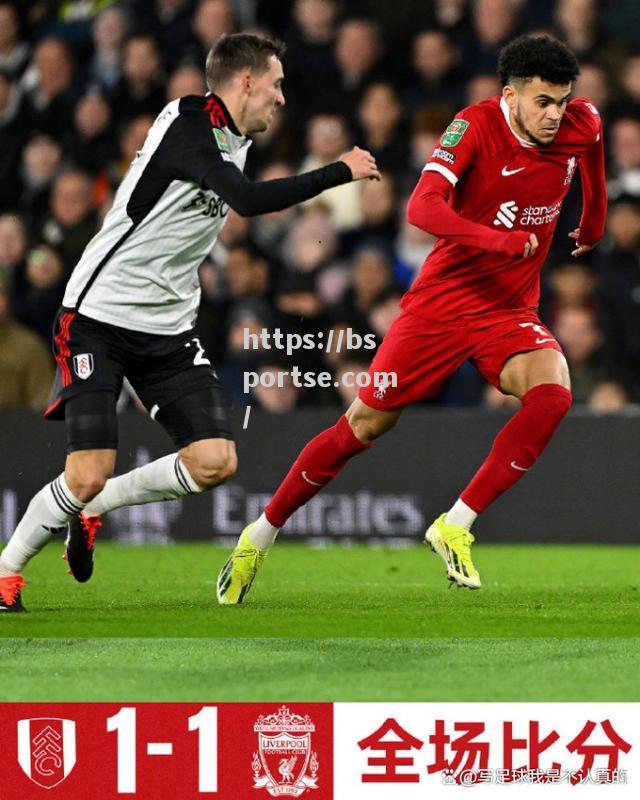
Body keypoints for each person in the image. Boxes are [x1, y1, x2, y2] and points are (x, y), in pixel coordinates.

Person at [215, 34, 607, 605]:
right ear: (511, 95)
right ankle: (259, 534)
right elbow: (422, 208)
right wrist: (494, 241)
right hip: (442, 305)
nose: (555, 114)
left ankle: (455, 524)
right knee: (364, 428)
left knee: (553, 394)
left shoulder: (581, 121)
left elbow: (590, 154)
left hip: (507, 308)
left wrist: (592, 219)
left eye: (563, 101)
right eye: (543, 101)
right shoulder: (473, 127)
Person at [0, 32, 379, 612]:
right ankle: (7, 570)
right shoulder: (186, 120)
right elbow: (245, 202)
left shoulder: (238, 140)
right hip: (98, 316)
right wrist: (339, 171)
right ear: (245, 81)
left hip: (168, 328)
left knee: (215, 462)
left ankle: (94, 510)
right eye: (275, 85)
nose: (281, 99)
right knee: (87, 472)